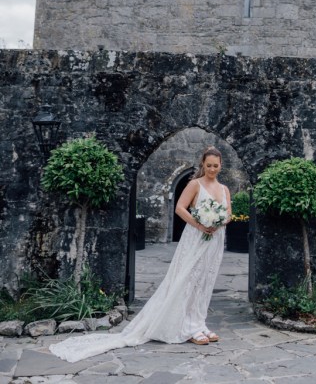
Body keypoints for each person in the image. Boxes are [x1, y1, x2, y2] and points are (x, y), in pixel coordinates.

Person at [49, 146, 231, 362]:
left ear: (220, 165)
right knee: (187, 280)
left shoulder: (224, 189)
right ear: (203, 164)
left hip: (214, 240)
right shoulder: (194, 184)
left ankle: (200, 323)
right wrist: (200, 225)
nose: (212, 169)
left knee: (205, 282)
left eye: (215, 165)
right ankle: (189, 328)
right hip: (196, 238)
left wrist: (218, 222)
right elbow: (180, 209)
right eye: (208, 165)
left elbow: (228, 214)